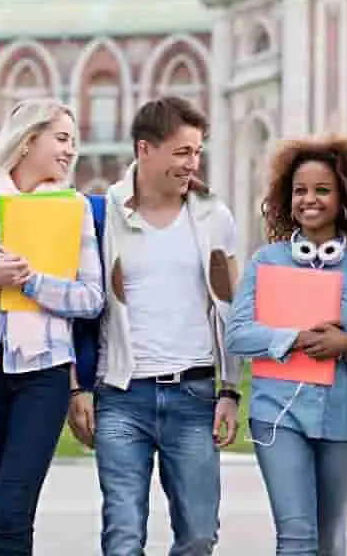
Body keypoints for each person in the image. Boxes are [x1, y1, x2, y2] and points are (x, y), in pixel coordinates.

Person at [66, 95, 242, 556]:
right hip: (122, 397)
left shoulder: (214, 216)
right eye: (182, 152)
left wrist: (230, 390)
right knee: (123, 537)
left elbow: (231, 306)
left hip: (194, 395)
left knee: (199, 536)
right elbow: (77, 309)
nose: (193, 163)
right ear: (145, 149)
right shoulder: (101, 214)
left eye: (197, 152)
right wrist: (76, 387)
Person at [0, 98, 105, 555]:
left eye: (74, 141)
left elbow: (92, 299)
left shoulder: (75, 209)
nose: (71, 150)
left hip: (43, 376)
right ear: (28, 141)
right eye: (61, 138)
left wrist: (32, 282)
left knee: (12, 514)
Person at [225, 135, 347, 556]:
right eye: (300, 190)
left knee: (330, 540)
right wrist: (294, 338)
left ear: (344, 198)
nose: (309, 199)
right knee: (296, 537)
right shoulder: (265, 261)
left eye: (322, 190)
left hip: (344, 417)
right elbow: (237, 334)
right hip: (277, 414)